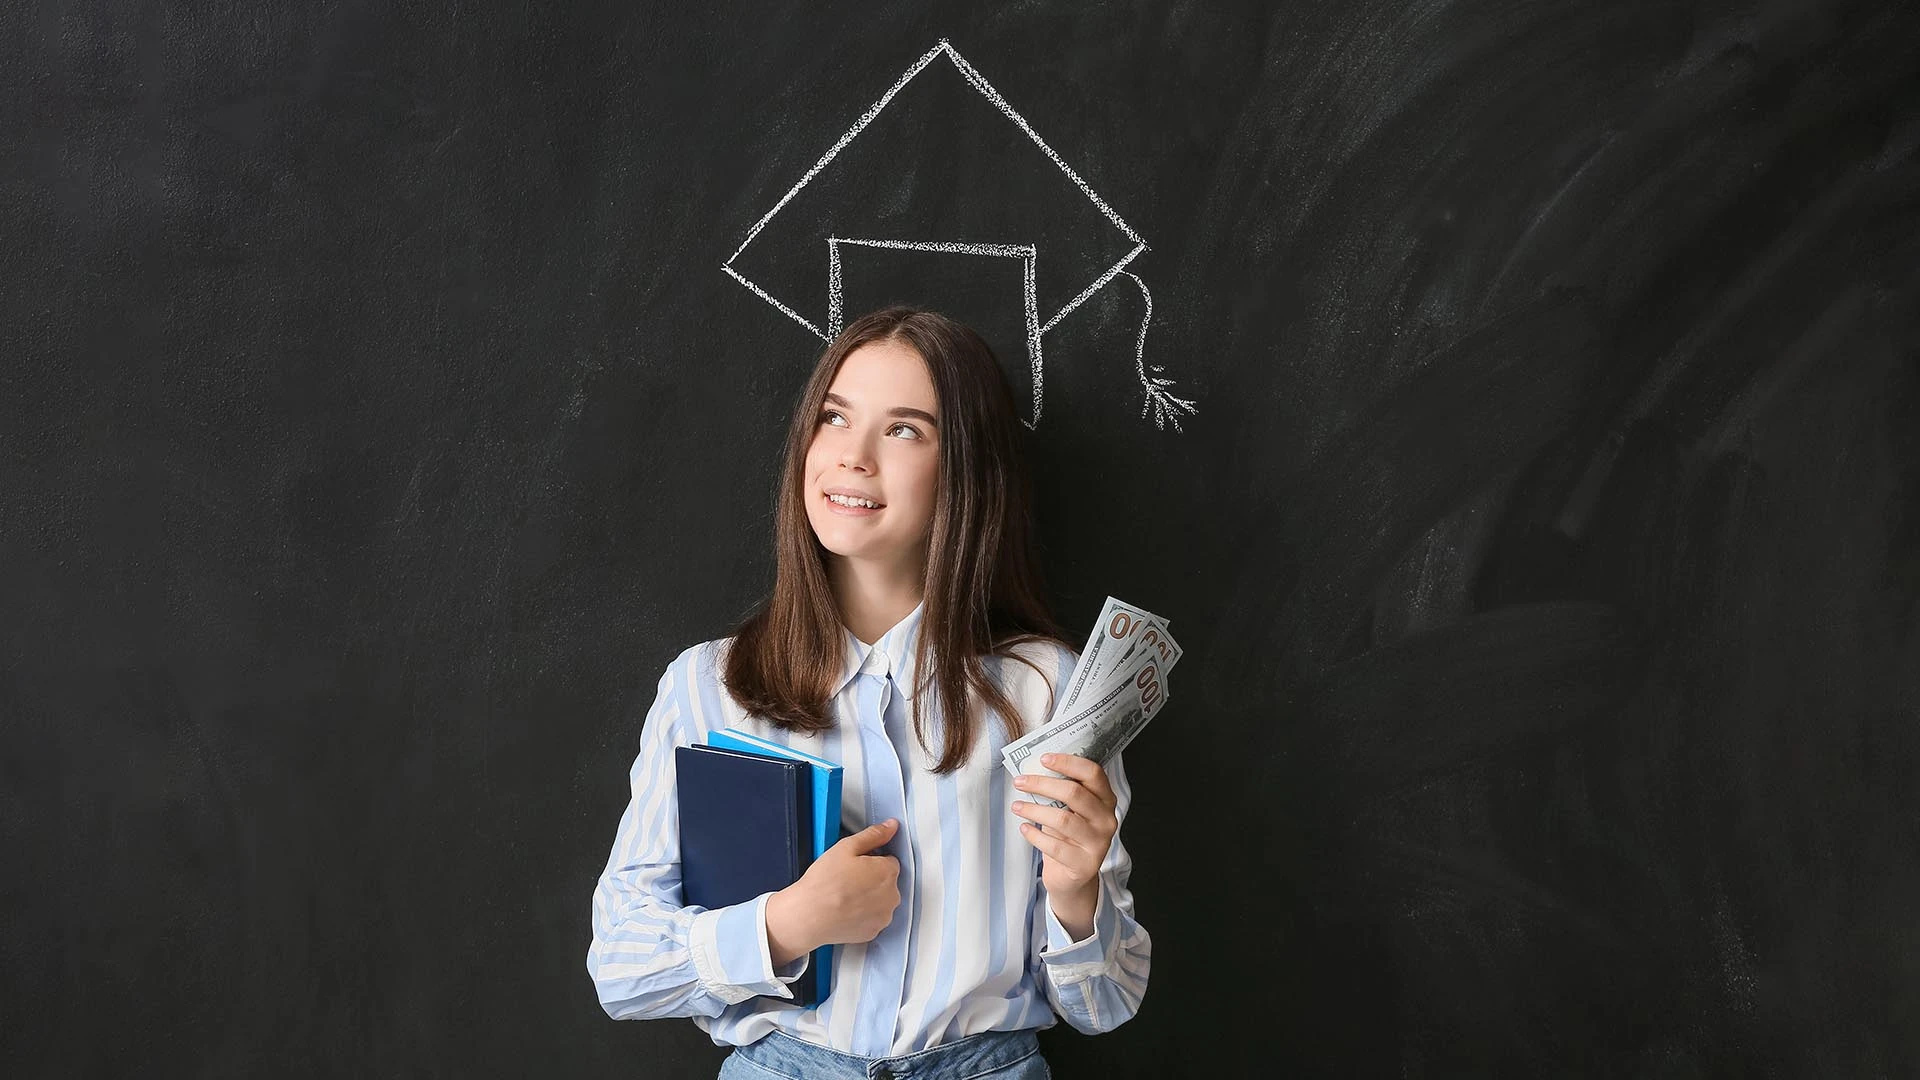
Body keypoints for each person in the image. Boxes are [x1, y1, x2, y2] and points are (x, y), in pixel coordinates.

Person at [585, 307, 1151, 1080]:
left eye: (904, 430)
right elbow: (620, 965)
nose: (852, 457)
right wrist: (786, 925)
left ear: (966, 470)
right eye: (835, 417)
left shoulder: (1047, 689)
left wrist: (1078, 893)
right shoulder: (710, 686)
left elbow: (1107, 1003)